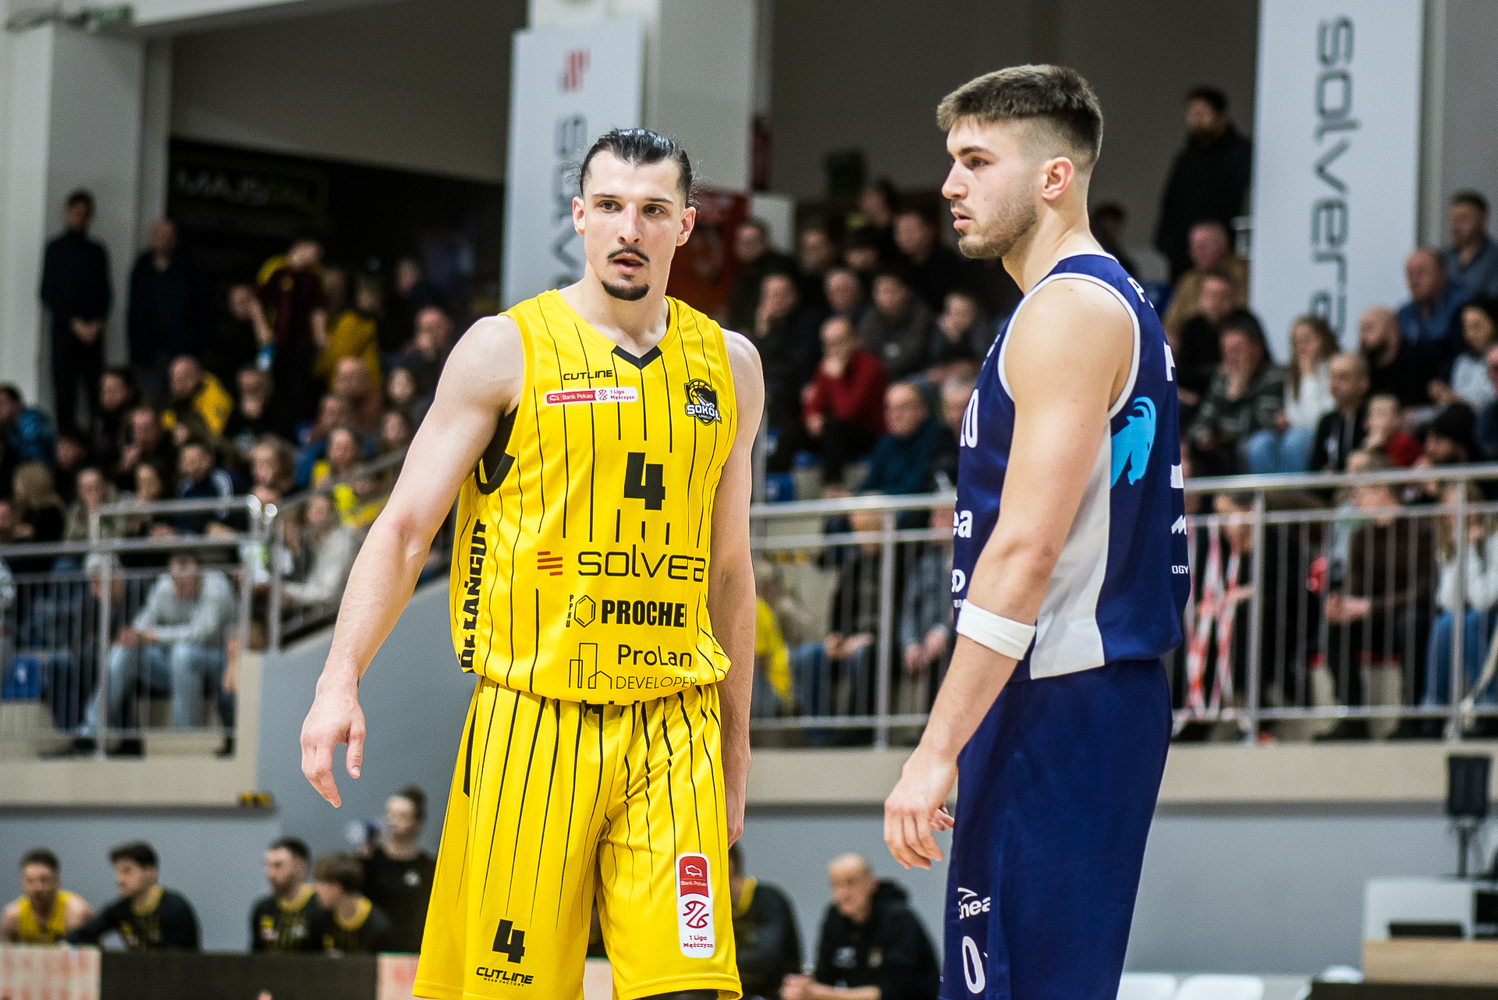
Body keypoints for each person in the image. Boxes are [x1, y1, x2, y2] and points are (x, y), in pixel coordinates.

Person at [299, 128, 763, 1000]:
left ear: (686, 226)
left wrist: (736, 749)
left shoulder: (731, 365)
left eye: (653, 210)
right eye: (611, 206)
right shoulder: (502, 348)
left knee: (693, 989)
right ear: (579, 216)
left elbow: (730, 571)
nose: (630, 228)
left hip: (677, 725)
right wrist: (338, 679)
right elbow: (404, 530)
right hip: (532, 721)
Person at [881, 66, 1187, 1000]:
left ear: (1055, 176)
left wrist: (934, 750)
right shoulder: (1084, 303)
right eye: (952, 160)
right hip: (1067, 692)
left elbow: (1025, 552)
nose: (950, 185)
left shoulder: (1069, 311)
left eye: (977, 161)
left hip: (1062, 692)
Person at [95, 550, 237, 748]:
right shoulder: (164, 585)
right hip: (173, 664)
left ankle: (182, 737)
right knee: (123, 650)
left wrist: (156, 635)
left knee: (183, 653)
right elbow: (144, 623)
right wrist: (134, 634)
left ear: (199, 575)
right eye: (176, 581)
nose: (180, 586)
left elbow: (202, 632)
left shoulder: (216, 586)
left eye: (186, 582)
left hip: (220, 661)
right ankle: (93, 727)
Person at [781, 853, 938, 1000]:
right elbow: (825, 977)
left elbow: (893, 992)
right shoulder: (835, 917)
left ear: (871, 883)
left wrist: (820, 994)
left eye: (850, 883)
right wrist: (803, 988)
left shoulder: (898, 918)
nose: (843, 894)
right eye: (836, 885)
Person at [1153, 86, 1253, 282]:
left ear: (1221, 116)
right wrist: (1167, 242)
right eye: (1192, 113)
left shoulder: (1241, 154)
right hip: (1183, 256)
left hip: (1227, 252)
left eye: (1202, 113)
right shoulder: (1186, 159)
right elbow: (1171, 202)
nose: (1196, 119)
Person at [40, 190, 111, 432]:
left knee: (96, 392)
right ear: (67, 213)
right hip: (65, 333)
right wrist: (75, 323)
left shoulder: (97, 251)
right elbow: (47, 293)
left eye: (84, 214)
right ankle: (66, 441)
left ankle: (97, 440)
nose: (80, 218)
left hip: (93, 335)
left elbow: (105, 293)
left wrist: (97, 323)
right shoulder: (56, 249)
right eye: (75, 213)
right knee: (65, 393)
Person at [1424, 483, 1498, 711]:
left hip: (1492, 615)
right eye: (1451, 510)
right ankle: (1434, 706)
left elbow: (1484, 600)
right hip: (1468, 614)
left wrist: (1471, 551)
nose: (1457, 515)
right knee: (1445, 623)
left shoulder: (1495, 540)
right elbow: (1447, 600)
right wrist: (1462, 549)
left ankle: (1486, 703)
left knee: (1473, 620)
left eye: (1463, 507)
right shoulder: (1449, 544)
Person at [1189, 311, 1286, 476]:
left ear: (1257, 350)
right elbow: (1202, 421)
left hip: (1254, 453)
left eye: (1237, 350)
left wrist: (1237, 396)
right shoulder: (1222, 378)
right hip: (1221, 454)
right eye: (1225, 351)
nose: (1230, 358)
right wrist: (1204, 436)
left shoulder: (1273, 377)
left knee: (1245, 448)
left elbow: (1259, 427)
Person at [801, 316, 888, 486]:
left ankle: (833, 488)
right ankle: (771, 487)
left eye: (839, 342)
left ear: (854, 340)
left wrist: (836, 378)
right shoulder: (825, 366)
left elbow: (847, 413)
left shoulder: (869, 366)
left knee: (834, 429)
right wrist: (813, 418)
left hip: (869, 435)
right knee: (792, 433)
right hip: (837, 434)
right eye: (828, 344)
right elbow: (813, 406)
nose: (833, 349)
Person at [1244, 315, 1337, 475]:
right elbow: (1294, 412)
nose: (1301, 347)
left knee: (1294, 442)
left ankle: (1294, 491)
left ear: (1323, 340)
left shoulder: (1333, 369)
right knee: (1258, 443)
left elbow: (1316, 420)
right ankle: (1268, 490)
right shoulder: (1294, 374)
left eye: (1307, 340)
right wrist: (1286, 418)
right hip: (1294, 431)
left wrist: (1309, 377)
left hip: (1318, 434)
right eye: (1296, 342)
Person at [127, 220, 206, 404]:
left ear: (175, 240)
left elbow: (200, 308)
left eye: (168, 236)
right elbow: (134, 313)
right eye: (159, 235)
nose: (163, 240)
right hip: (148, 353)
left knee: (181, 402)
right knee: (150, 401)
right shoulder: (141, 268)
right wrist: (136, 350)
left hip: (180, 350)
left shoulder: (188, 269)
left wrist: (192, 344)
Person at [67, 842, 200, 950]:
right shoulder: (120, 910)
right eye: (117, 872)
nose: (119, 879)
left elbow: (179, 960)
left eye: (127, 871)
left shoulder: (175, 909)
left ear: (149, 873)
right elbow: (84, 933)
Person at [255, 236, 328, 427]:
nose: (317, 255)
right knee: (271, 384)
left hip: (302, 342)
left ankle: (296, 429)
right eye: (315, 249)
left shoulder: (314, 275)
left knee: (299, 388)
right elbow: (257, 300)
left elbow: (317, 308)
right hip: (275, 341)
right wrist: (262, 329)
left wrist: (320, 335)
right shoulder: (276, 268)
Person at [362, 785, 437, 954]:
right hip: (373, 954)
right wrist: (365, 855)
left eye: (402, 816)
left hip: (415, 953)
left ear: (418, 823)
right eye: (390, 814)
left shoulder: (429, 867)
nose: (393, 821)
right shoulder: (370, 862)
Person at [725, 843, 800, 1000]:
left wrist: (717, 961)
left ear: (728, 864)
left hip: (773, 994)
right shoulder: (714, 906)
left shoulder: (769, 900)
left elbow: (767, 958)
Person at [1160, 219, 1250, 347]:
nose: (1196, 253)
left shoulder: (1246, 273)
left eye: (1203, 247)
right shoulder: (1188, 280)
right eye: (1193, 248)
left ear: (1223, 245)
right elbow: (1170, 326)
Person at [858, 383, 957, 499]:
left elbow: (923, 486)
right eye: (889, 408)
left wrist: (882, 496)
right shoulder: (885, 443)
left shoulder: (940, 438)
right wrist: (852, 496)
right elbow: (869, 484)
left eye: (903, 408)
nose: (895, 415)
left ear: (922, 410)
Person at [1172, 270, 1235, 413]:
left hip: (1235, 395)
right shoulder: (1192, 326)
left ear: (1231, 299)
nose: (1215, 303)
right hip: (1197, 396)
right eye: (1210, 295)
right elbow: (1183, 374)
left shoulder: (1244, 325)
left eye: (1221, 296)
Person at [1, 849, 94, 943]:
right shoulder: (12, 917)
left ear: (57, 881)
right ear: (22, 883)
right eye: (30, 881)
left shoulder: (75, 913)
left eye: (44, 880)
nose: (37, 888)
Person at [311, 853, 396, 956]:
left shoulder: (378, 925)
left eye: (320, 883)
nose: (315, 889)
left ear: (336, 888)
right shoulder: (320, 918)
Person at [251, 837, 326, 953]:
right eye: (268, 865)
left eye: (278, 865)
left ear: (299, 866)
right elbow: (256, 956)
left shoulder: (321, 906)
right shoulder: (263, 908)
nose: (270, 873)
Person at [858, 266, 934, 381]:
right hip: (879, 375)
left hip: (917, 374)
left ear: (907, 291)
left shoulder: (921, 315)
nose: (886, 297)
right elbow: (868, 353)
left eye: (891, 290)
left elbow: (915, 355)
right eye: (880, 292)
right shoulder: (870, 318)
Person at [1359, 306, 1439, 409]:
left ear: (1392, 329)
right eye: (1361, 330)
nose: (1363, 336)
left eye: (1369, 328)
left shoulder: (1417, 361)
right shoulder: (1363, 366)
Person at [316, 273, 384, 394]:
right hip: (366, 385)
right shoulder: (364, 321)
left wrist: (314, 370)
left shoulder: (351, 320)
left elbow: (337, 356)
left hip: (355, 389)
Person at [728, 218, 796, 334]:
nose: (745, 247)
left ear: (765, 243)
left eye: (750, 242)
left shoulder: (779, 268)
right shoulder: (745, 272)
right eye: (741, 242)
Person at [1398, 247, 1470, 356]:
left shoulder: (1463, 305)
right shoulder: (1404, 314)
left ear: (1442, 272)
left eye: (1421, 272)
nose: (1414, 281)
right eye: (1410, 274)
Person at [1306, 352, 1370, 474]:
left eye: (1343, 377)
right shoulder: (1326, 422)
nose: (1335, 384)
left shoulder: (1371, 420)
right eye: (1332, 377)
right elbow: (1314, 469)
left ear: (1363, 382)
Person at [1432, 297, 1498, 411]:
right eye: (1466, 327)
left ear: (1494, 324)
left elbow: (1491, 399)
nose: (1470, 334)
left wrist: (1458, 400)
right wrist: (1443, 393)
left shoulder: (1495, 361)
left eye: (1476, 326)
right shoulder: (1462, 360)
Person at [894, 209, 965, 312]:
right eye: (899, 232)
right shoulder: (895, 261)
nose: (904, 237)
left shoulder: (946, 260)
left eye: (909, 231)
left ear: (929, 231)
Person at [174, 439, 236, 535]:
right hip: (193, 536)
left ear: (210, 458)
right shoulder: (183, 486)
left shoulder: (223, 480)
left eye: (198, 460)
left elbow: (225, 516)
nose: (194, 467)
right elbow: (180, 521)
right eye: (188, 461)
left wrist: (203, 526)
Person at [164, 355, 234, 439]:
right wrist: (175, 426)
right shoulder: (181, 396)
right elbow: (164, 417)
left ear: (198, 374)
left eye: (182, 379)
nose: (177, 386)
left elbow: (214, 432)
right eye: (173, 380)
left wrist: (188, 430)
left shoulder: (215, 395)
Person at [395, 306, 453, 402]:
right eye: (428, 329)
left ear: (448, 326)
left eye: (437, 328)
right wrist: (428, 355)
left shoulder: (458, 348)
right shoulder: (410, 356)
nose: (434, 334)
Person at [1446, 190, 1498, 298]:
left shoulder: (1494, 259)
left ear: (1482, 221)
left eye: (1463, 219)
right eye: (1453, 220)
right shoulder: (1444, 258)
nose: (1456, 227)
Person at [0, 385, 57, 466]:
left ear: (16, 403)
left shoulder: (32, 420)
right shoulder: (8, 425)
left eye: (2, 403)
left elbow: (30, 456)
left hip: (40, 467)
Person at [1364, 394, 1424, 467]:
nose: (1388, 420)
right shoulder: (1366, 443)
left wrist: (1370, 450)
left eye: (1392, 415)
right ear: (1367, 422)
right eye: (1381, 414)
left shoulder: (1404, 442)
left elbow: (1388, 471)